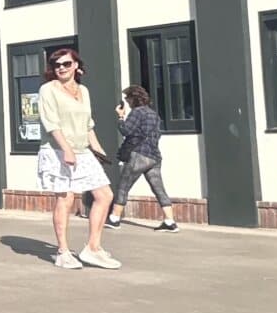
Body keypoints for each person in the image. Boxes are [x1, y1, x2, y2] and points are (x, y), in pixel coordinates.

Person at [37, 46, 122, 270]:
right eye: (57, 65)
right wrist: (66, 149)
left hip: (82, 150)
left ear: (76, 65)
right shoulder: (47, 90)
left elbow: (88, 125)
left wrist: (98, 149)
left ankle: (92, 248)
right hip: (57, 150)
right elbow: (51, 123)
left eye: (66, 64)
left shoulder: (83, 91)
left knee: (105, 195)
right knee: (65, 199)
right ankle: (62, 252)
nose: (61, 68)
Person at [107, 86, 179, 232]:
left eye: (127, 98)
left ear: (134, 98)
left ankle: (114, 218)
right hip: (154, 156)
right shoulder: (154, 114)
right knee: (159, 189)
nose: (126, 101)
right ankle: (170, 221)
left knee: (123, 186)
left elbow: (126, 130)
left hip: (139, 155)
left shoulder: (137, 112)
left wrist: (121, 117)